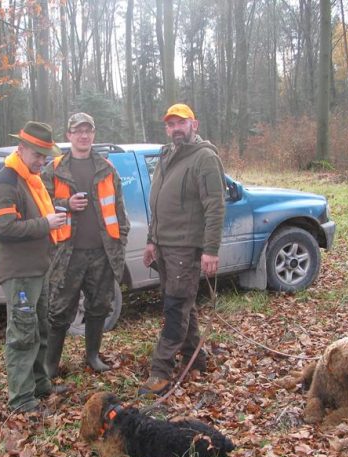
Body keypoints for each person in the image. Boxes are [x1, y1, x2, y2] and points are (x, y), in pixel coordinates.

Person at [141, 103, 226, 395]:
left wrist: (210, 249)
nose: (176, 128)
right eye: (171, 124)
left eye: (181, 123)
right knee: (182, 302)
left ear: (195, 124)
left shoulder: (205, 159)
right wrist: (152, 240)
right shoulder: (167, 155)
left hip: (185, 249)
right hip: (164, 247)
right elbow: (157, 203)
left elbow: (215, 207)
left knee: (175, 308)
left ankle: (160, 372)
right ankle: (196, 358)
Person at [0, 121, 66, 414]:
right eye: (37, 155)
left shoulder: (30, 179)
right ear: (21, 149)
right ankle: (21, 400)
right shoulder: (6, 182)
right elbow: (4, 228)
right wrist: (46, 224)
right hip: (19, 274)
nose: (42, 162)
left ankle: (40, 383)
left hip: (37, 269)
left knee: (40, 328)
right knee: (22, 334)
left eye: (45, 157)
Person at [42, 112, 129, 375]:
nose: (83, 135)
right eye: (78, 131)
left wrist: (119, 242)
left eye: (88, 130)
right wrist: (65, 205)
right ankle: (50, 364)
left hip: (101, 253)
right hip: (66, 254)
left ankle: (92, 356)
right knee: (59, 311)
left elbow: (119, 211)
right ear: (68, 135)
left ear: (93, 134)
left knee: (99, 307)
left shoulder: (107, 168)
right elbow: (40, 205)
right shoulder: (54, 168)